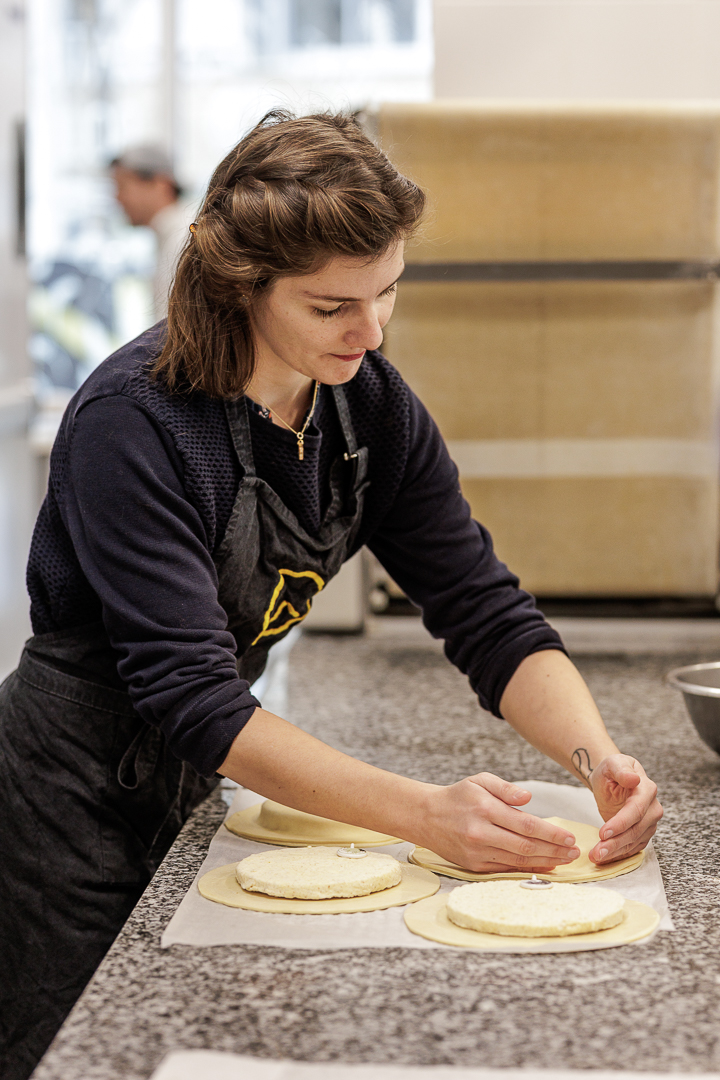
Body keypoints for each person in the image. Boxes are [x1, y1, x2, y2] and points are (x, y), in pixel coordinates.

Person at [0, 111, 663, 1080]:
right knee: (83, 1057)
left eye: (388, 291)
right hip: (65, 798)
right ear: (241, 286)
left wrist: (597, 757)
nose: (371, 328)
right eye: (331, 306)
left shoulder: (370, 407)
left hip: (198, 783)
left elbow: (484, 610)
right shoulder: (133, 424)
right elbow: (192, 694)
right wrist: (426, 815)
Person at [110, 144, 196, 319]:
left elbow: (173, 329)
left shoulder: (184, 237)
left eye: (122, 187)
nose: (117, 198)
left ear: (160, 184)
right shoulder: (171, 233)